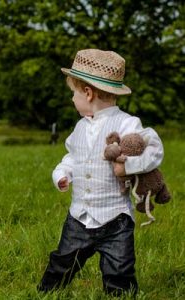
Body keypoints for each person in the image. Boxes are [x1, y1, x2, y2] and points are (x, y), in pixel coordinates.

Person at [38, 49, 164, 296]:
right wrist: (62, 173)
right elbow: (72, 156)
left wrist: (128, 166)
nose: (72, 99)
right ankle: (46, 292)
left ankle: (119, 294)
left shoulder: (127, 123)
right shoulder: (80, 127)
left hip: (115, 218)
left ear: (88, 93)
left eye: (74, 93)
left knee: (120, 271)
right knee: (62, 262)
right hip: (79, 217)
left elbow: (155, 150)